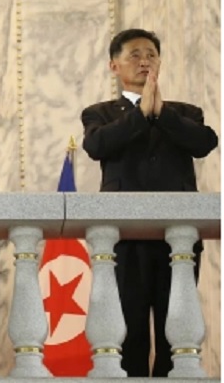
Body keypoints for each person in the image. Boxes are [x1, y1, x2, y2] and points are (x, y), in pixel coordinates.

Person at [81, 28, 216, 377]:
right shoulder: (100, 113)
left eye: (151, 55)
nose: (145, 61)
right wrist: (141, 115)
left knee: (178, 335)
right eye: (135, 55)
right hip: (124, 238)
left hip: (178, 239)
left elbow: (204, 143)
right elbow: (97, 147)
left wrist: (162, 114)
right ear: (114, 66)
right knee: (130, 331)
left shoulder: (185, 112)